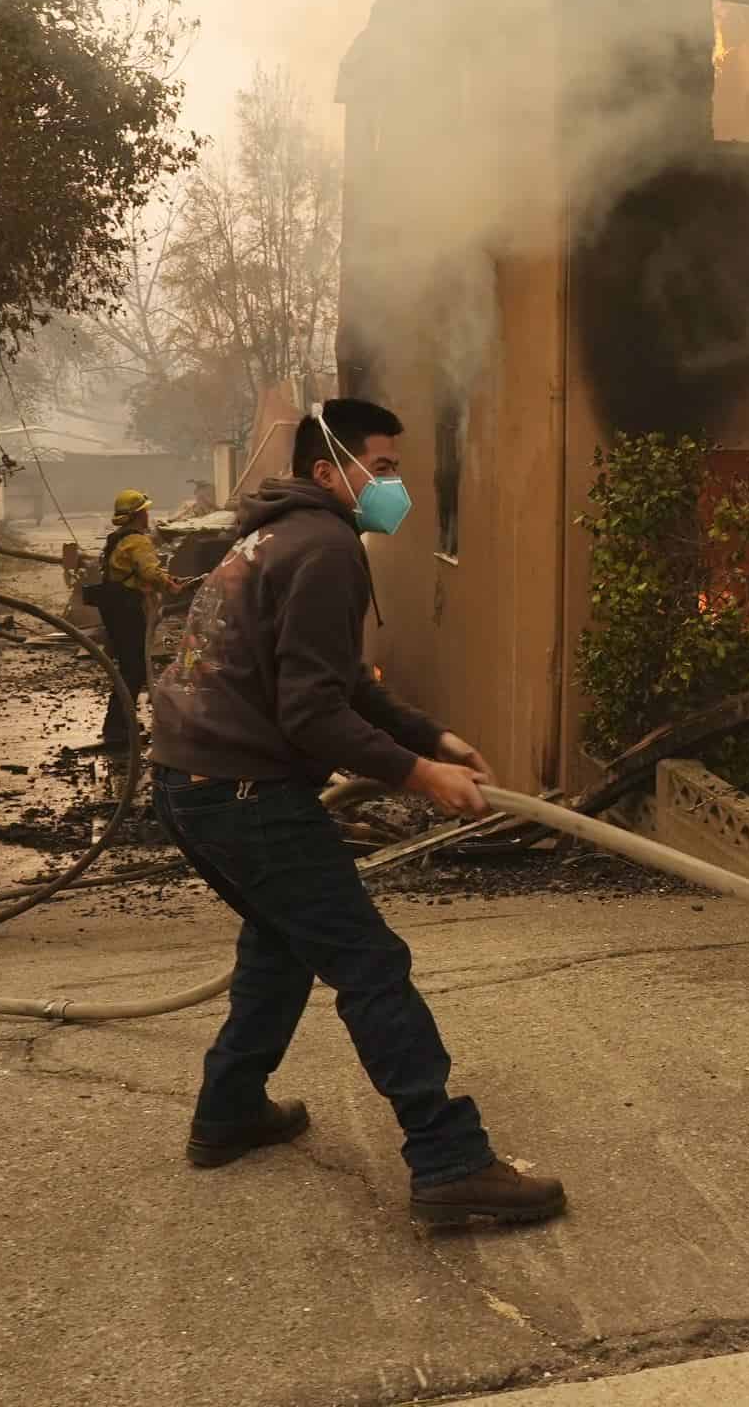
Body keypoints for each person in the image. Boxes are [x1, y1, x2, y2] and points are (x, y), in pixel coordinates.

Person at [149, 397, 563, 1226]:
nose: (394, 486)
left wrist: (430, 735)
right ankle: (449, 1161)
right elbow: (311, 714)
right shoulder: (329, 548)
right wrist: (419, 775)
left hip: (191, 781)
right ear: (326, 473)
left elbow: (335, 686)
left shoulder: (276, 536)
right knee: (369, 963)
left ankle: (228, 1110)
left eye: (397, 469)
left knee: (280, 944)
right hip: (243, 791)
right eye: (382, 468)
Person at [86, 489, 189, 749]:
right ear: (137, 515)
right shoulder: (138, 541)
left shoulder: (117, 538)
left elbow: (137, 572)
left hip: (115, 607)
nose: (147, 515)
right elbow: (149, 571)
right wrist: (169, 584)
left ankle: (121, 724)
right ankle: (118, 729)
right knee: (134, 668)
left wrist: (165, 579)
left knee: (129, 666)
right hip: (127, 608)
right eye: (144, 510)